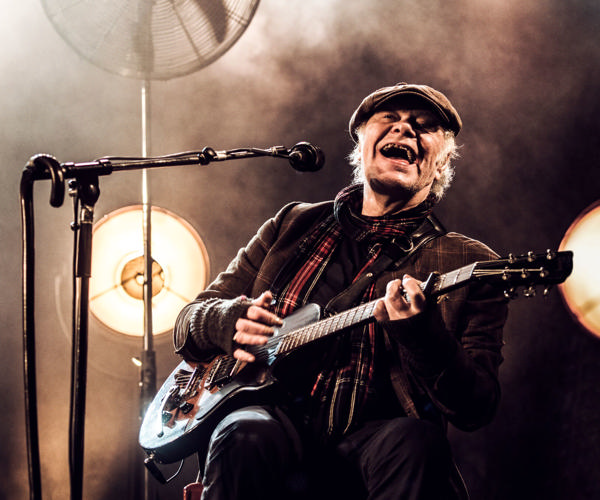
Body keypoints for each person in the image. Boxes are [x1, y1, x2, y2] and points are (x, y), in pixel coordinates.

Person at [173, 83, 508, 500]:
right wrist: (227, 322)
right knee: (242, 432)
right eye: (390, 119)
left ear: (441, 165)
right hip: (272, 428)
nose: (405, 129)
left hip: (376, 446)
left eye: (423, 126)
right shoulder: (291, 225)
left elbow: (476, 406)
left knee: (416, 441)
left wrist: (424, 335)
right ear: (361, 145)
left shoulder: (469, 261)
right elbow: (188, 322)